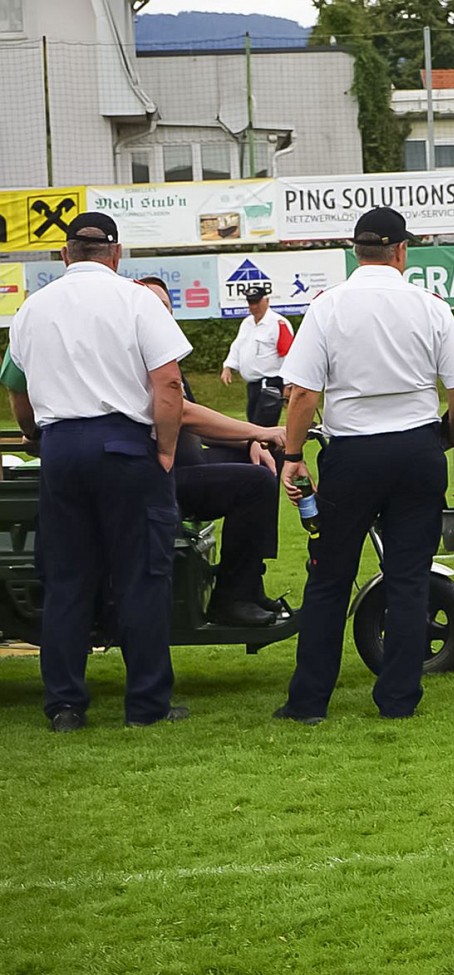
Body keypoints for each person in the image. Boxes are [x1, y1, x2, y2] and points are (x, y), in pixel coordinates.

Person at [273, 207, 454, 723]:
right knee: (408, 578)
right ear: (401, 251)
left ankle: (308, 702)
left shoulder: (327, 306)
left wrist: (293, 456)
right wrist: (446, 439)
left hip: (352, 454)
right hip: (416, 450)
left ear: (356, 251)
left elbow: (302, 394)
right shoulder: (430, 306)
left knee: (328, 578)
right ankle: (399, 699)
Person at [3, 212, 192, 731]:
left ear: (64, 254)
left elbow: (17, 389)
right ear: (116, 253)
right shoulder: (136, 300)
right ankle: (147, 706)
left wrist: (36, 434)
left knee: (66, 581)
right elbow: (168, 384)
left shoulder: (32, 308)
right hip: (125, 445)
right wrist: (167, 449)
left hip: (61, 447)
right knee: (141, 578)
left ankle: (65, 705)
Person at [137, 277, 288, 626]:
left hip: (189, 464)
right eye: (153, 306)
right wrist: (256, 430)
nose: (161, 313)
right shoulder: (142, 357)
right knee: (255, 483)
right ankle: (231, 598)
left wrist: (253, 441)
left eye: (166, 307)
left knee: (270, 454)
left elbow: (195, 424)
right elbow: (184, 414)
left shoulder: (163, 356)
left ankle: (250, 580)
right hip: (162, 476)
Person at [220, 288, 295, 426]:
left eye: (257, 302)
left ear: (267, 301)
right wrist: (228, 366)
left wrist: (288, 384)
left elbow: (289, 353)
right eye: (250, 303)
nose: (254, 307)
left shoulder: (278, 323)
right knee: (253, 423)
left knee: (263, 427)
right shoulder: (247, 323)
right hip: (253, 385)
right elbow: (237, 346)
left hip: (270, 384)